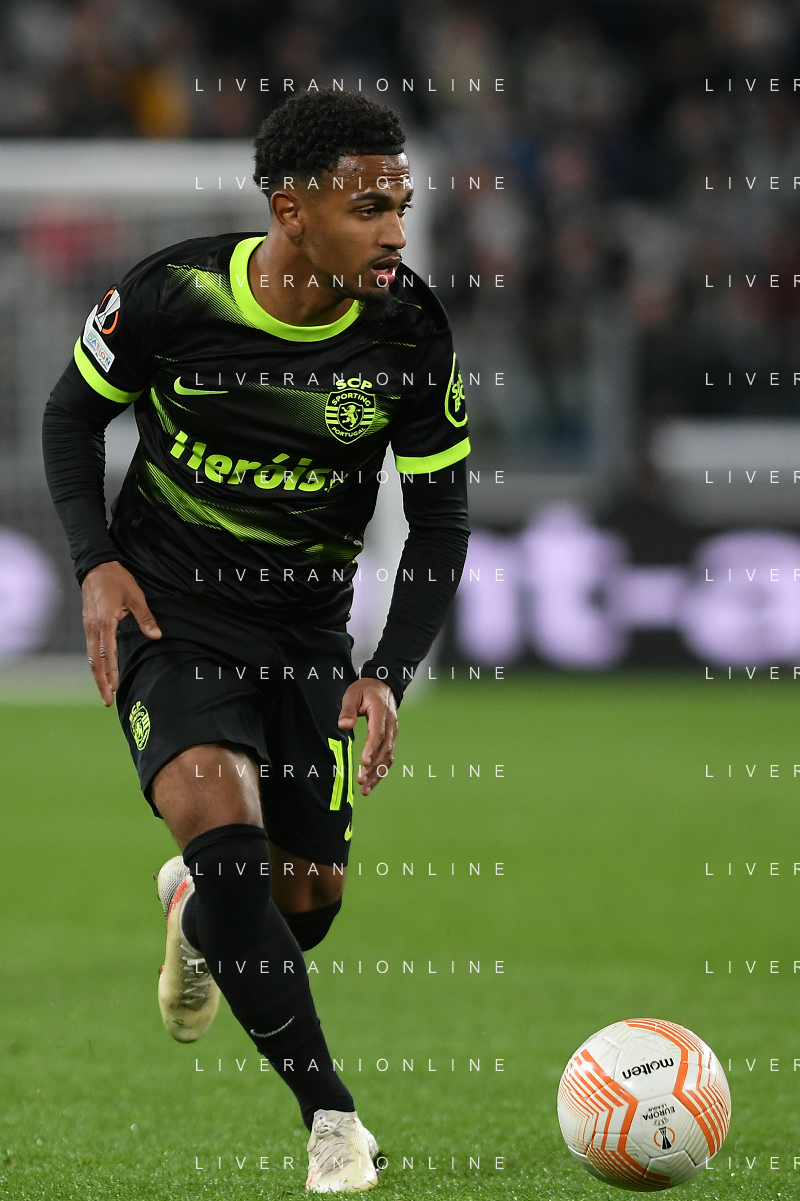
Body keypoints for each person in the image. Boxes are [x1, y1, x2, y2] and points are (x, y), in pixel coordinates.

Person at [42, 89, 470, 1192]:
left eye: (401, 206)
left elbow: (439, 518)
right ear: (291, 211)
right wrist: (95, 560)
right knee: (223, 834)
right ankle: (332, 1117)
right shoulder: (173, 294)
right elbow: (70, 413)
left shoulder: (409, 330)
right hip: (171, 612)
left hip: (304, 630)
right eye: (368, 209)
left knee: (300, 906)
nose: (395, 232)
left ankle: (197, 909)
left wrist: (386, 672)